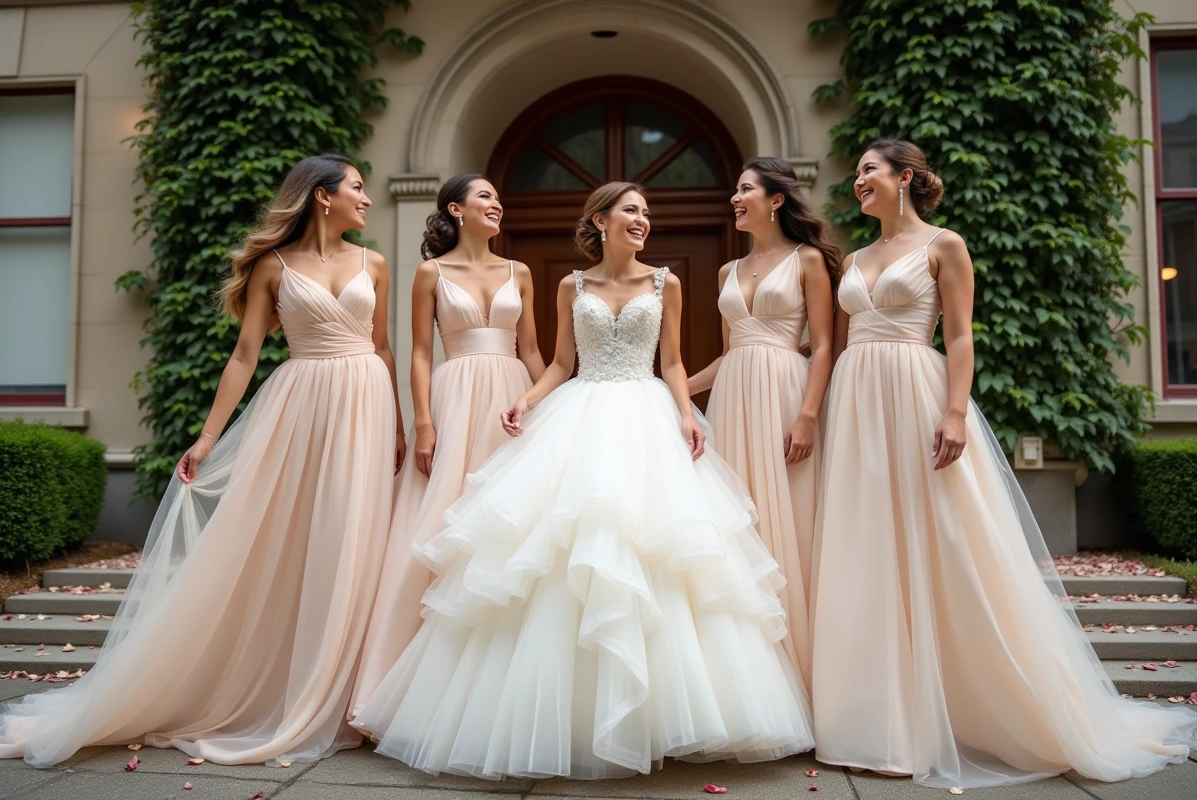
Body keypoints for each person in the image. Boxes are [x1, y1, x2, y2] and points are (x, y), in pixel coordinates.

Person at [352, 182, 814, 779]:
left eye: (647, 211)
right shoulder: (572, 285)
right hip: (582, 411)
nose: (643, 219)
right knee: (561, 559)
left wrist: (683, 413)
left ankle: (661, 716)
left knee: (658, 556)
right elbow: (562, 363)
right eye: (631, 210)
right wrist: (529, 399)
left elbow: (671, 362)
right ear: (600, 221)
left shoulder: (665, 283)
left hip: (647, 415)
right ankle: (563, 714)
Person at [810, 139, 1197, 788]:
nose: (858, 181)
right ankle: (872, 721)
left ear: (905, 177)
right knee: (865, 551)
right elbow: (847, 345)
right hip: (857, 407)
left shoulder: (944, 246)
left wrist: (956, 412)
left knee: (944, 547)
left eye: (869, 170)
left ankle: (968, 709)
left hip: (917, 395)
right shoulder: (853, 258)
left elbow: (959, 335)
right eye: (856, 174)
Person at [0, 154, 402, 767]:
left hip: (366, 406)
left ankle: (348, 691)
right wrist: (208, 437)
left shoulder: (372, 262)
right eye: (356, 188)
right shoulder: (273, 267)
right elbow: (244, 357)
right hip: (299, 405)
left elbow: (382, 347)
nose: (366, 199)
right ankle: (282, 685)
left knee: (355, 537)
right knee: (292, 541)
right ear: (322, 197)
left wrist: (399, 422)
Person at [351, 174, 544, 715]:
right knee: (443, 521)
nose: (497, 204)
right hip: (455, 397)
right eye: (485, 197)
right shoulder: (430, 273)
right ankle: (408, 682)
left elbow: (530, 349)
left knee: (509, 524)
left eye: (499, 198)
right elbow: (416, 354)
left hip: (509, 398)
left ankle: (503, 679)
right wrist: (425, 421)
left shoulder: (520, 272)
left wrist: (543, 405)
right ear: (456, 210)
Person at [688, 156, 838, 689]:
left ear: (775, 200)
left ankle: (805, 672)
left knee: (789, 526)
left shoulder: (808, 261)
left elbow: (822, 347)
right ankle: (753, 680)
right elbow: (728, 355)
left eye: (745, 188)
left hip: (784, 396)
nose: (735, 197)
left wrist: (808, 415)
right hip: (732, 401)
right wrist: (672, 391)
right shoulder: (726, 272)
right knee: (738, 525)